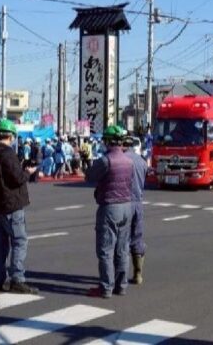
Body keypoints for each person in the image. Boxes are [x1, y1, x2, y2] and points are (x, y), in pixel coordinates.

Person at [0, 118, 38, 295]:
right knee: (19, 241)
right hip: (11, 205)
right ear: (11, 136)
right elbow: (17, 179)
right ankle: (17, 279)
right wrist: (27, 171)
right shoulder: (8, 154)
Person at [85, 125, 134, 298]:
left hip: (110, 206)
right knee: (122, 249)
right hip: (126, 206)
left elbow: (90, 176)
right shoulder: (129, 161)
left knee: (105, 250)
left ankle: (106, 287)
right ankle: (121, 285)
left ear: (107, 141)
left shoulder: (106, 160)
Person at [123, 134, 148, 285]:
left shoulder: (120, 160)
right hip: (138, 202)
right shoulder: (142, 161)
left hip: (123, 202)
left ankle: (120, 277)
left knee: (122, 240)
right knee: (137, 237)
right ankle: (138, 274)